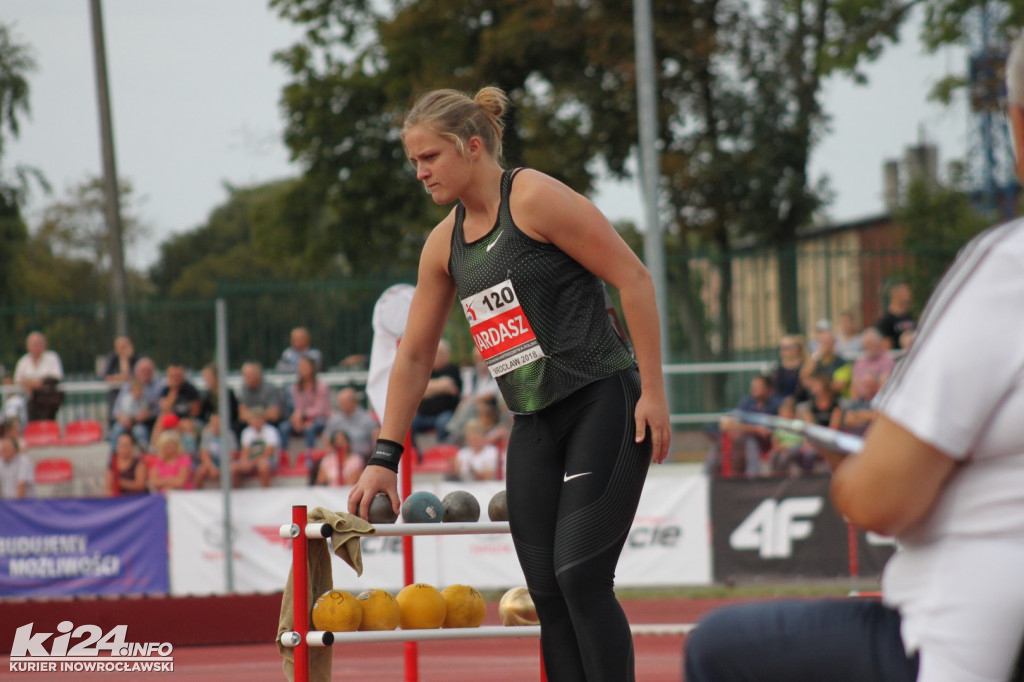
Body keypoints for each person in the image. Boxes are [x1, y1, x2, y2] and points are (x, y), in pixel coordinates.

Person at [684, 35, 1024, 682]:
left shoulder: (1007, 266)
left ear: (1017, 122)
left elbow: (880, 500)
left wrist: (851, 468)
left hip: (962, 644)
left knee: (718, 647)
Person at [348, 87, 670, 682]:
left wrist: (653, 390)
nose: (419, 173)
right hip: (533, 421)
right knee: (545, 593)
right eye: (413, 162)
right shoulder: (442, 244)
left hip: (604, 400)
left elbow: (635, 279)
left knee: (580, 577)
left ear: (472, 147)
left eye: (429, 158)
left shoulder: (534, 197)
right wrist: (383, 456)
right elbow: (415, 355)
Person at [713, 374, 781, 477]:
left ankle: (752, 477)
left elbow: (780, 425)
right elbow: (734, 424)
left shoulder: (775, 404)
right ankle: (709, 476)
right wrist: (756, 429)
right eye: (753, 387)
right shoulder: (746, 402)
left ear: (767, 389)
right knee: (735, 442)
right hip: (749, 438)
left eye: (758, 388)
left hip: (771, 439)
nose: (754, 390)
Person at [409, 338, 462, 444]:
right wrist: (441, 386)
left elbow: (449, 385)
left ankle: (442, 451)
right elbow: (417, 390)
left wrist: (428, 388)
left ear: (447, 354)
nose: (437, 356)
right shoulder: (427, 371)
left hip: (445, 413)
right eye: (436, 353)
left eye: (441, 353)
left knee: (443, 424)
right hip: (424, 414)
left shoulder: (452, 369)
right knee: (409, 424)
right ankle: (417, 455)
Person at [279, 356, 331, 451]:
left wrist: (303, 416)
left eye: (305, 366)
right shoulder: (296, 387)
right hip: (303, 418)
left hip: (321, 418)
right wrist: (297, 419)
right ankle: (283, 456)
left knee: (309, 428)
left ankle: (309, 457)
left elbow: (319, 409)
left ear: (312, 368)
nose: (302, 369)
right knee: (284, 427)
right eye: (300, 367)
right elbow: (298, 407)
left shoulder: (321, 387)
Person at [13, 332, 65, 422]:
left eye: (38, 344)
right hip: (29, 403)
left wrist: (34, 383)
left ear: (44, 345)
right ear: (28, 346)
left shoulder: (52, 358)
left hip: (49, 403)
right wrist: (35, 383)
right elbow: (18, 380)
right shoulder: (23, 362)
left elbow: (56, 377)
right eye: (33, 344)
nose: (35, 347)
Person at [323, 387, 380, 459]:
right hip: (341, 458)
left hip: (362, 458)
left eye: (343, 402)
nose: (340, 405)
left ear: (353, 402)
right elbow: (326, 436)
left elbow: (376, 437)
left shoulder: (367, 419)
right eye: (340, 402)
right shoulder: (335, 419)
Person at [234, 407, 279, 488]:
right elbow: (245, 451)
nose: (256, 422)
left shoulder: (271, 431)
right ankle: (234, 493)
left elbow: (268, 453)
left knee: (263, 466)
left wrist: (252, 463)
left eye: (258, 419)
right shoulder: (247, 432)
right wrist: (244, 462)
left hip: (267, 460)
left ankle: (265, 492)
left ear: (263, 420)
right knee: (233, 468)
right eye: (254, 419)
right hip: (252, 461)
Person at [238, 362, 286, 434]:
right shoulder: (244, 390)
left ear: (257, 375)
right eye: (245, 376)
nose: (246, 379)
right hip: (251, 423)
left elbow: (274, 414)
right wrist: (258, 416)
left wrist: (256, 417)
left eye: (248, 376)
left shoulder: (270, 389)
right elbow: (242, 415)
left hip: (269, 424)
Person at [193, 413, 237, 488]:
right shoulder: (206, 434)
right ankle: (196, 493)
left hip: (225, 463)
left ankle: (232, 491)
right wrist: (212, 468)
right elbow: (204, 455)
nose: (215, 426)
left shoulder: (229, 435)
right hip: (212, 462)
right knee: (200, 471)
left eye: (218, 423)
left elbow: (231, 455)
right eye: (213, 423)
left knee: (233, 470)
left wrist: (221, 468)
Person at [109, 379, 152, 449]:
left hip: (137, 423)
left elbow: (145, 413)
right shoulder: (127, 400)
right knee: (117, 430)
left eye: (140, 390)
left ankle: (145, 452)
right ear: (132, 390)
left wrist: (144, 414)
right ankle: (114, 453)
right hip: (125, 422)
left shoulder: (144, 400)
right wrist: (134, 418)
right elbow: (126, 414)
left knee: (141, 431)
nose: (138, 392)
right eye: (136, 390)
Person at [100, 335, 137, 415]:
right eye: (121, 347)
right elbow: (105, 376)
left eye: (126, 346)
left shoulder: (136, 359)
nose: (124, 349)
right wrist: (122, 377)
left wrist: (126, 360)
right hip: (116, 394)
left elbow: (136, 376)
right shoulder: (112, 358)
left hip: (134, 395)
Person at [874, 281, 916, 350]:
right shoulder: (885, 320)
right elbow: (886, 348)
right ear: (895, 293)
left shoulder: (910, 316)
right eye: (905, 290)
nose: (909, 293)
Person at [771, 334, 808, 403]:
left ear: (797, 349)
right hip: (780, 403)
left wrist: (792, 400)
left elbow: (803, 390)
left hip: (800, 403)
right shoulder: (778, 369)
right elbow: (775, 390)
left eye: (787, 348)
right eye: (782, 348)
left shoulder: (805, 367)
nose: (783, 351)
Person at [0, 435, 33, 499]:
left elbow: (22, 485)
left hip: (24, 504)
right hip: (5, 504)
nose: (3, 452)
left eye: (6, 450)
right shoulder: (1, 462)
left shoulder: (23, 461)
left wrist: (14, 505)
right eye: (2, 450)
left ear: (14, 450)